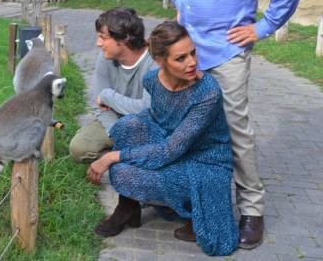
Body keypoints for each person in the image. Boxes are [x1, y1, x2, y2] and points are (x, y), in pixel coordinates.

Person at [169, 0, 307, 249]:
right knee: (194, 129)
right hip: (189, 51)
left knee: (233, 130)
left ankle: (252, 212)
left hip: (226, 51)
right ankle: (203, 207)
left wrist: (263, 26)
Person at [87, 21, 238, 256]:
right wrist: (111, 105)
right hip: (172, 146)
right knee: (128, 126)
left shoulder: (207, 92)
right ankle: (128, 208)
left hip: (205, 163)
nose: (192, 63)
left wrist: (113, 156)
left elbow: (169, 150)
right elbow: (153, 119)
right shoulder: (151, 81)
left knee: (121, 171)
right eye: (181, 58)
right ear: (159, 61)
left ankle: (194, 214)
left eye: (193, 53)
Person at [69, 7, 157, 163]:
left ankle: (125, 159)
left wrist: (106, 96)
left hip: (147, 125)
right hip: (114, 119)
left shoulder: (154, 63)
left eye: (103, 37)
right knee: (79, 148)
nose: (98, 43)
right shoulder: (105, 58)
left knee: (160, 149)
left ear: (124, 39)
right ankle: (126, 158)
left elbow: (147, 108)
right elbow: (98, 107)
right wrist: (117, 133)